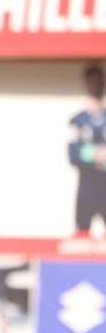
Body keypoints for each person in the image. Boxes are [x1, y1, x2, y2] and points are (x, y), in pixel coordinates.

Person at [69, 63, 106, 239]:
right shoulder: (78, 121)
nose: (95, 85)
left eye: (99, 81)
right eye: (92, 81)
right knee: (82, 233)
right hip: (87, 183)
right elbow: (72, 154)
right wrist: (95, 154)